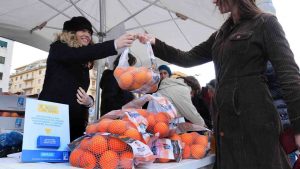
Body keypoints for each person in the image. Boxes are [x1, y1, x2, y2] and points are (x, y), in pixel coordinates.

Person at [138, 0, 300, 168]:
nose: (214, 1)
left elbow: (290, 76)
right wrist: (156, 43)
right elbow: (187, 58)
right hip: (225, 124)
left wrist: (298, 127)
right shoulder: (220, 34)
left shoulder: (266, 23)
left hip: (256, 120)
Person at [38, 16, 135, 141]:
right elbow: (80, 54)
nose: (88, 35)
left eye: (89, 32)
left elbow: (78, 90)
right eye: (83, 31)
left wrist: (89, 101)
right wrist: (114, 44)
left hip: (75, 122)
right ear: (71, 32)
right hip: (52, 118)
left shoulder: (82, 63)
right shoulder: (58, 48)